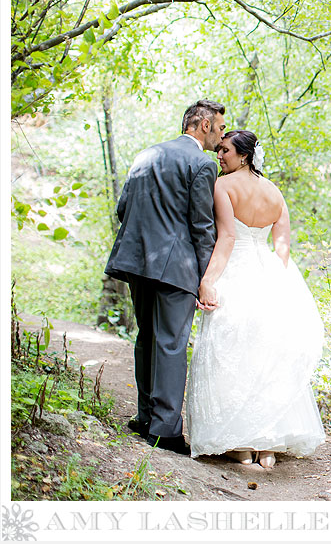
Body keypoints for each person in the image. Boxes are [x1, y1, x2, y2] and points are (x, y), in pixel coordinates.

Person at [185, 129, 326, 468]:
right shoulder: (275, 193)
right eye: (219, 150)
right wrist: (278, 286)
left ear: (244, 156)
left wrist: (207, 281)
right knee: (265, 356)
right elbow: (282, 249)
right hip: (269, 276)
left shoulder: (223, 186)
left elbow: (228, 238)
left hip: (236, 272)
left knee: (231, 353)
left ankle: (241, 444)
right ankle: (267, 446)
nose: (220, 156)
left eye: (226, 151)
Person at [105, 99, 227, 455]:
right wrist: (207, 278)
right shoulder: (202, 164)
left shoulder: (146, 155)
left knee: (146, 338)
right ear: (203, 125)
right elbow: (202, 226)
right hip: (176, 268)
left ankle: (144, 418)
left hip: (138, 261)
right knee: (172, 345)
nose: (220, 137)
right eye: (219, 128)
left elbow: (122, 208)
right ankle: (166, 431)